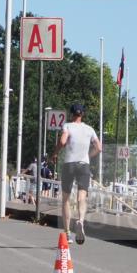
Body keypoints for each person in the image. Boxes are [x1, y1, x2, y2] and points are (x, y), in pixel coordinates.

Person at [55, 102, 101, 244]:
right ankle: (80, 220)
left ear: (72, 113)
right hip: (83, 165)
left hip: (69, 164)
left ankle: (68, 233)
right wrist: (88, 155)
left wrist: (55, 153)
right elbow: (99, 147)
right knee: (82, 196)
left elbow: (63, 141)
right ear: (83, 114)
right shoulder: (90, 129)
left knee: (66, 199)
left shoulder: (67, 126)